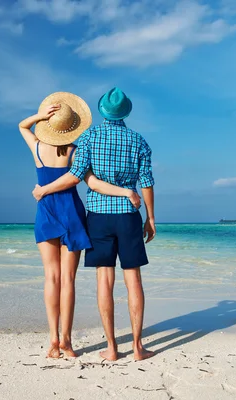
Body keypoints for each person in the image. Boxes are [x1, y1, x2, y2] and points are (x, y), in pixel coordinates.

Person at [33, 87, 156, 361]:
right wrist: (150, 217)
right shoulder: (139, 141)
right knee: (133, 278)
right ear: (126, 112)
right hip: (128, 214)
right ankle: (137, 347)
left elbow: (77, 176)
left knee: (105, 278)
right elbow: (146, 182)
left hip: (98, 215)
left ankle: (111, 348)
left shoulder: (89, 137)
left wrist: (43, 190)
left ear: (101, 111)